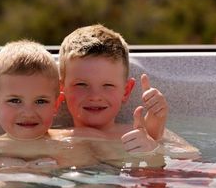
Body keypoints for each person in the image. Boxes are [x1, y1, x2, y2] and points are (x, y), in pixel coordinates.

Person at [0, 40, 102, 172]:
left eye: (40, 101)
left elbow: (92, 180)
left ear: (56, 104)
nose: (28, 113)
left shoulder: (71, 144)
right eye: (15, 101)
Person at [58, 24, 182, 159]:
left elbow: (195, 165)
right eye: (81, 84)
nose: (95, 96)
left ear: (126, 91)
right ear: (61, 88)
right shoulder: (50, 137)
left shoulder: (144, 133)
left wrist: (154, 148)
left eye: (108, 85)